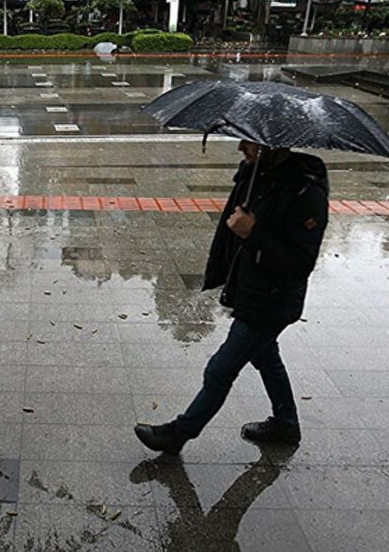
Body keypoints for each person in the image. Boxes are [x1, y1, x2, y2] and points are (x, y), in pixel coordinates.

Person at [135, 140, 329, 453]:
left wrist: (253, 233)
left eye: (250, 142)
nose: (241, 146)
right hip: (252, 291)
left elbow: (300, 263)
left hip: (273, 300)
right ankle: (286, 423)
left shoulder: (306, 193)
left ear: (273, 144)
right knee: (266, 356)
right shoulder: (257, 176)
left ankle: (178, 434)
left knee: (220, 369)